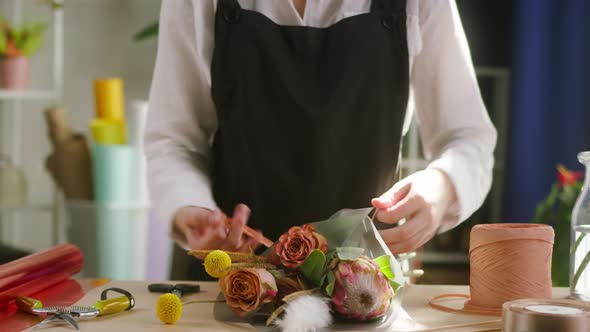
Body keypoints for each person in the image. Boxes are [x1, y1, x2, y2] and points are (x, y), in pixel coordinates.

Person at [145, 0, 497, 279]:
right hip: (229, 286)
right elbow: (173, 141)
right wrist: (189, 206)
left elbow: (468, 138)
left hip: (363, 290)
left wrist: (442, 186)